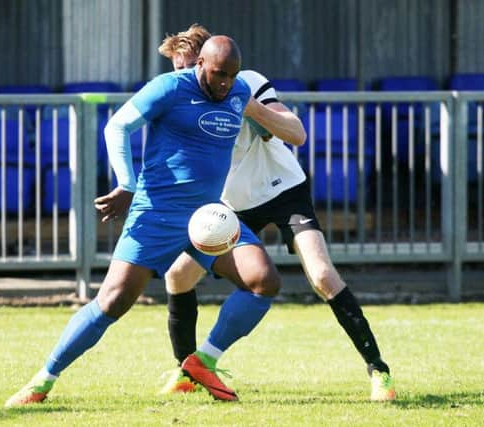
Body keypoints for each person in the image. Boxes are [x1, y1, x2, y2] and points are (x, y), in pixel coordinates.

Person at [5, 35, 283, 407]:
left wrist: (271, 128)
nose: (225, 83)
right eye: (219, 74)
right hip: (157, 213)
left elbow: (268, 128)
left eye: (231, 76)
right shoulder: (168, 88)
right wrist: (126, 184)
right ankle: (42, 381)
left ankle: (203, 360)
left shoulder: (238, 90)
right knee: (113, 301)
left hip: (207, 219)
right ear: (200, 63)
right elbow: (116, 128)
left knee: (263, 280)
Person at [156, 24, 396, 402]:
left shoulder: (245, 82)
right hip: (232, 205)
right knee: (178, 275)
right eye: (177, 70)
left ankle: (378, 371)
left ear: (211, 62)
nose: (183, 77)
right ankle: (188, 369)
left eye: (189, 68)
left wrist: (246, 105)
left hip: (284, 191)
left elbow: (296, 133)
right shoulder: (180, 99)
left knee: (321, 276)